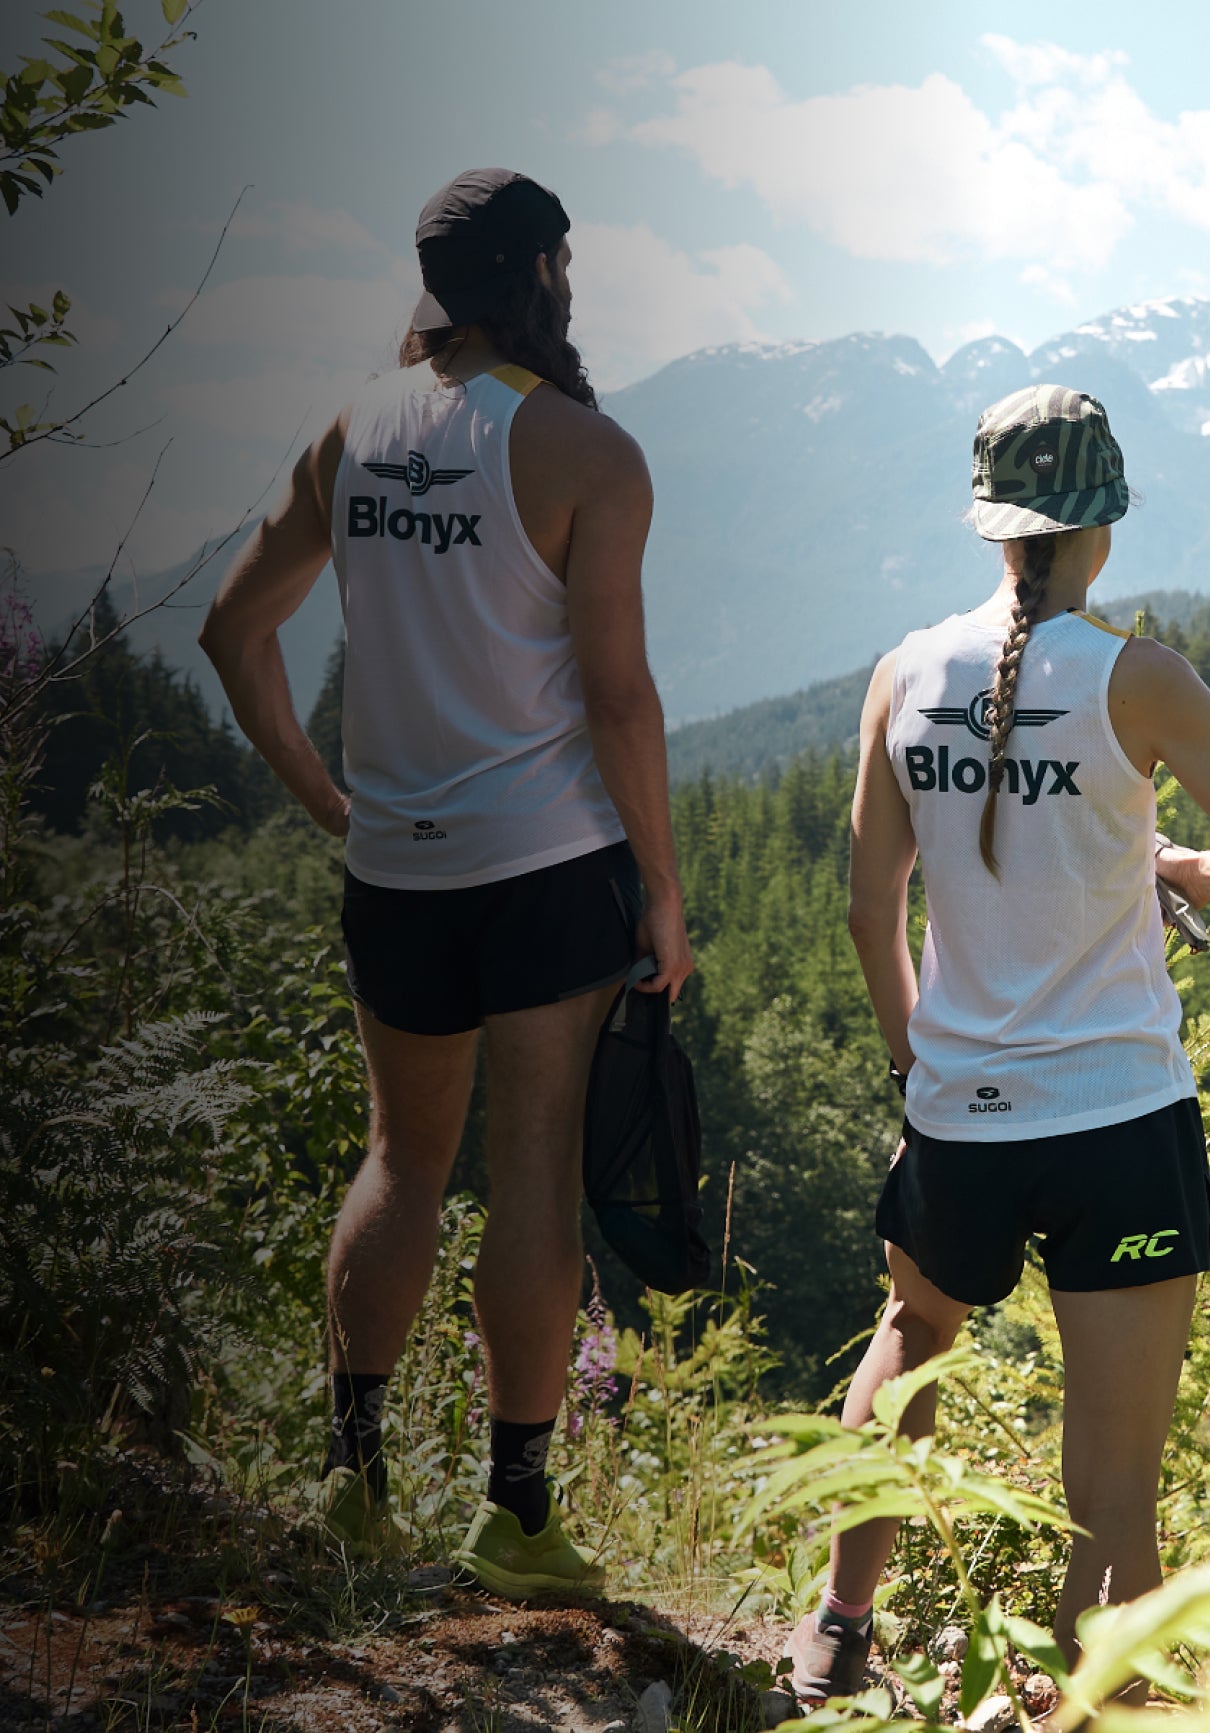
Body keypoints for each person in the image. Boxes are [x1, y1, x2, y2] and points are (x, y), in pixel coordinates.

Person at [199, 167, 693, 1595]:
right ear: (536, 271)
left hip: (395, 873)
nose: (571, 284)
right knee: (530, 1170)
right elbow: (617, 696)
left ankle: (350, 1485)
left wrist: (327, 800)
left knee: (399, 1161)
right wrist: (661, 885)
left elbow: (232, 630)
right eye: (565, 262)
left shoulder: (350, 429)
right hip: (544, 868)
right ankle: (515, 1515)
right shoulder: (586, 453)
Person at [787, 384, 1210, 1702]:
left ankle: (834, 1632)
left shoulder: (904, 674)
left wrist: (918, 1076)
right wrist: (1178, 869)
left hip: (959, 1113)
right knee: (1114, 1487)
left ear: (991, 522)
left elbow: (872, 911)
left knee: (911, 1339)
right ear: (1102, 523)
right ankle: (1089, 1711)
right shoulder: (1142, 678)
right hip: (1121, 1121)